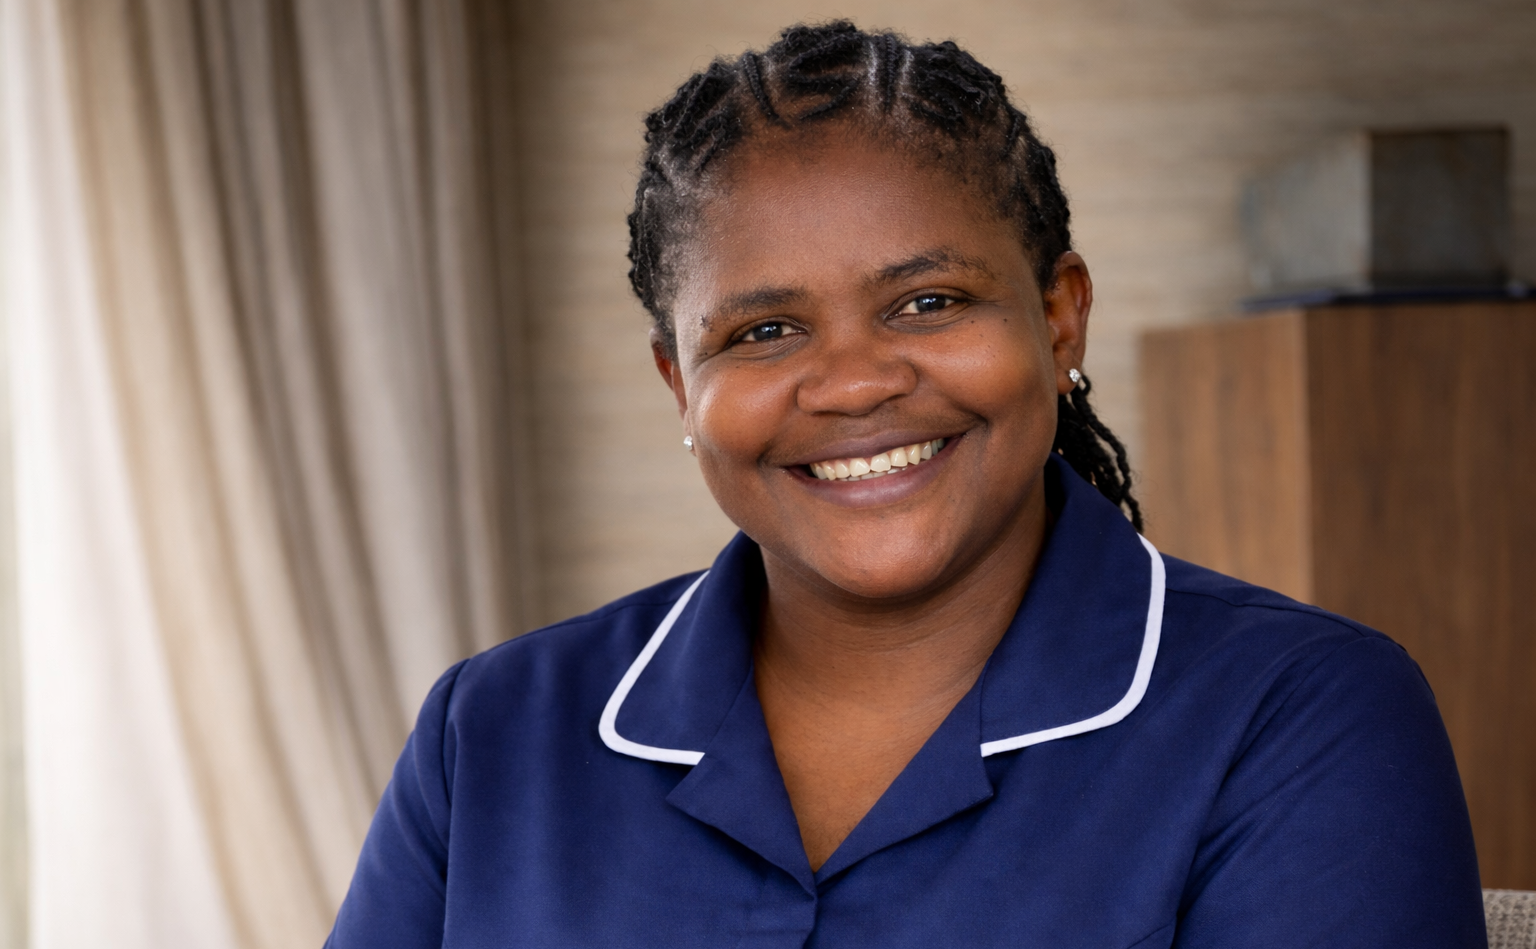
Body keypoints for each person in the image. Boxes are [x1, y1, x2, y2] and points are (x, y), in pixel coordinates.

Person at [326, 22, 1485, 948]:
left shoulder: (1304, 718)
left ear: (1058, 313)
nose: (853, 383)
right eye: (766, 328)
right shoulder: (490, 733)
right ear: (681, 384)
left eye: (927, 302)